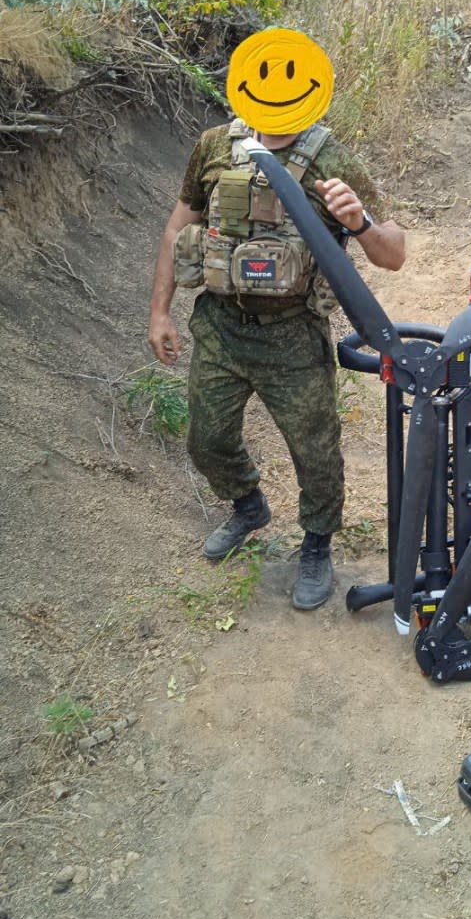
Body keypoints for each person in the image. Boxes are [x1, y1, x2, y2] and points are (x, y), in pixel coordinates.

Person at [148, 118, 405, 611]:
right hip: (222, 327)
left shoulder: (333, 158)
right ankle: (248, 506)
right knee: (207, 440)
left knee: (316, 452)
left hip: (293, 335)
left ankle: (316, 545)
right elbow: (178, 226)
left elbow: (394, 255)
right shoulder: (215, 146)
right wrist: (160, 311)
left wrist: (361, 223)